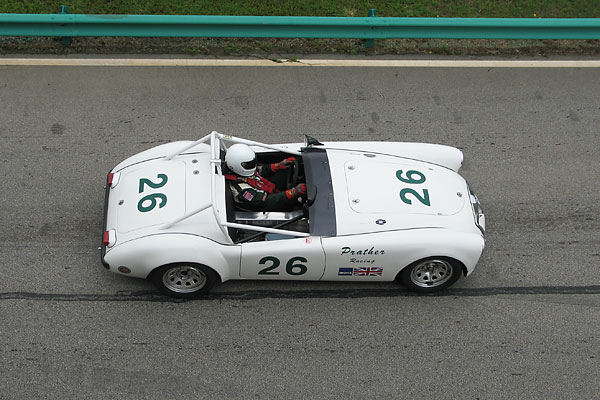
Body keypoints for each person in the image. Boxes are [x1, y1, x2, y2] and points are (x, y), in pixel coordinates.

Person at [224, 143, 306, 211]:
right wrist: (293, 192)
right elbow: (267, 202)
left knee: (294, 164)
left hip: (265, 186)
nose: (253, 166)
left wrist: (277, 166)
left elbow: (258, 170)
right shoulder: (243, 192)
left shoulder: (245, 170)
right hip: (266, 205)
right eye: (250, 165)